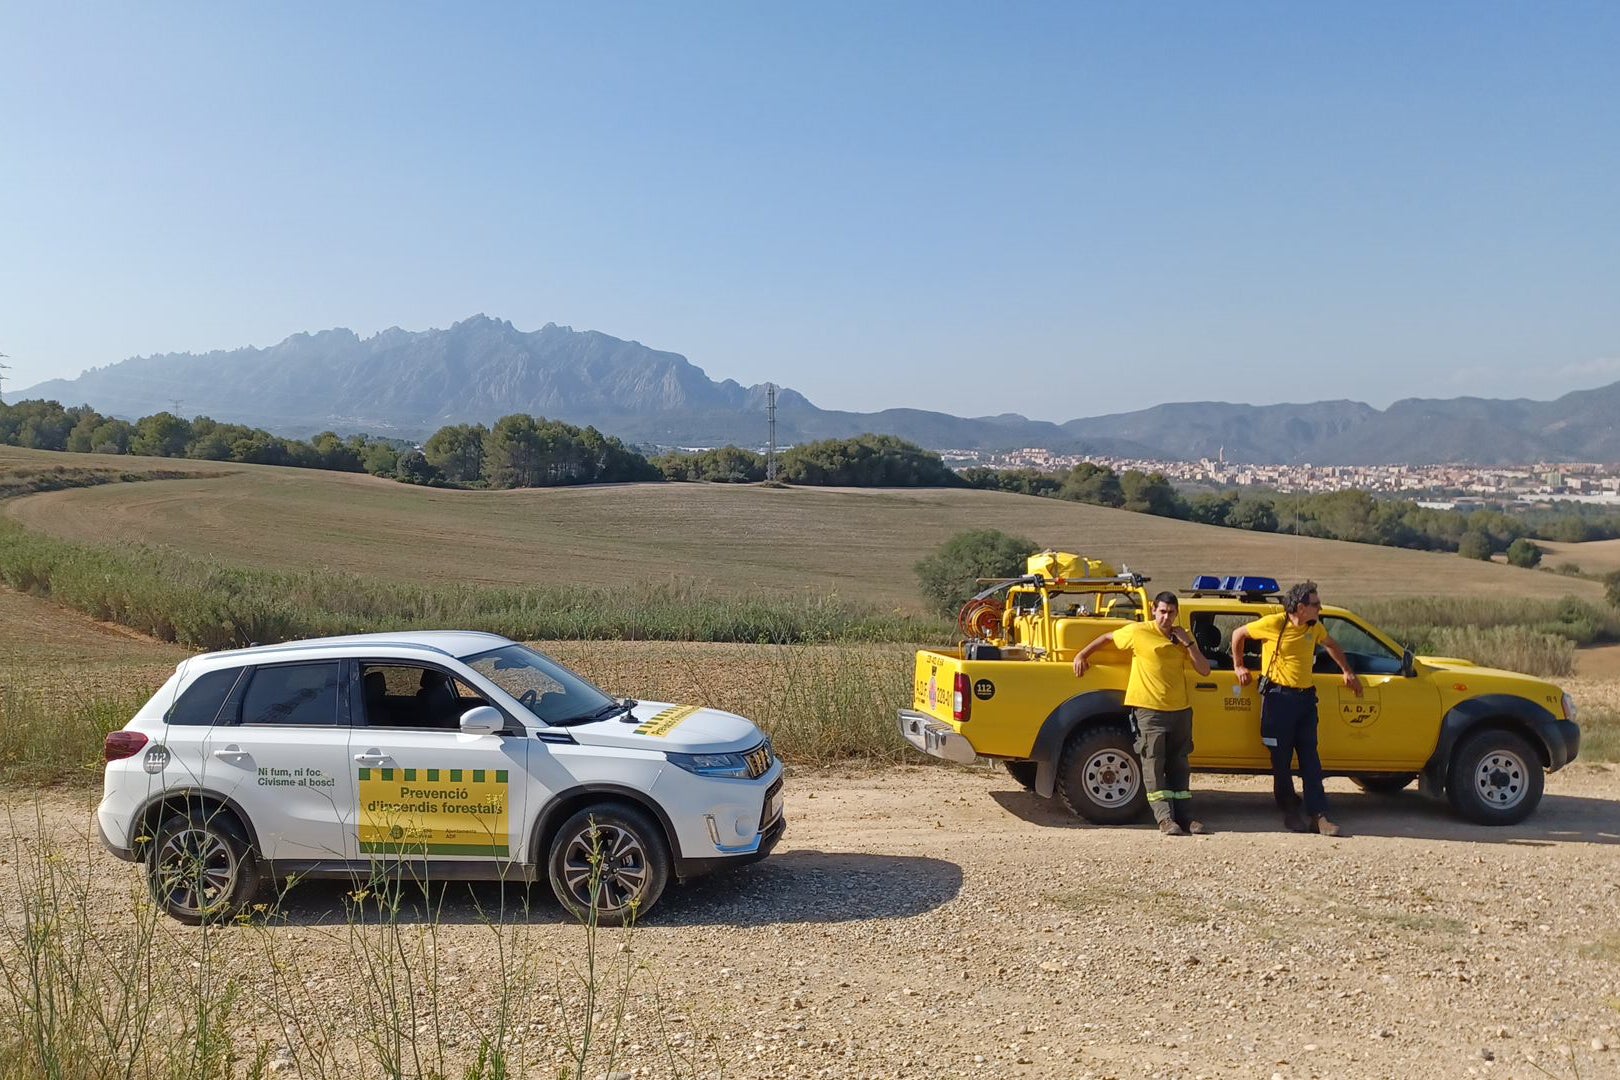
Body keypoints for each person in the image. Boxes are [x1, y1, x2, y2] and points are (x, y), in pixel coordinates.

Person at [1072, 591, 1212, 836]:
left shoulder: (1183, 638)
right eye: (1162, 612)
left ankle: (1186, 817)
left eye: (1170, 613)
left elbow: (1204, 670)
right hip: (1149, 710)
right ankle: (1164, 819)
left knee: (1180, 764)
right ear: (1153, 610)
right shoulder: (1138, 631)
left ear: (1176, 614)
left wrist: (1187, 643)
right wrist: (1083, 654)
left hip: (1180, 710)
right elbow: (1107, 637)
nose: (1166, 618)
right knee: (1153, 764)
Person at [1231, 581, 1362, 836]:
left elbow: (1332, 645)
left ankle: (1318, 815)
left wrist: (1347, 671)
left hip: (1305, 700)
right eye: (1315, 604)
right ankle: (1289, 810)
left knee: (1310, 759)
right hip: (1278, 699)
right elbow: (1239, 634)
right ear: (1300, 607)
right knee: (1280, 760)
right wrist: (1239, 665)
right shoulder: (1274, 624)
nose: (1320, 607)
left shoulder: (1315, 627)